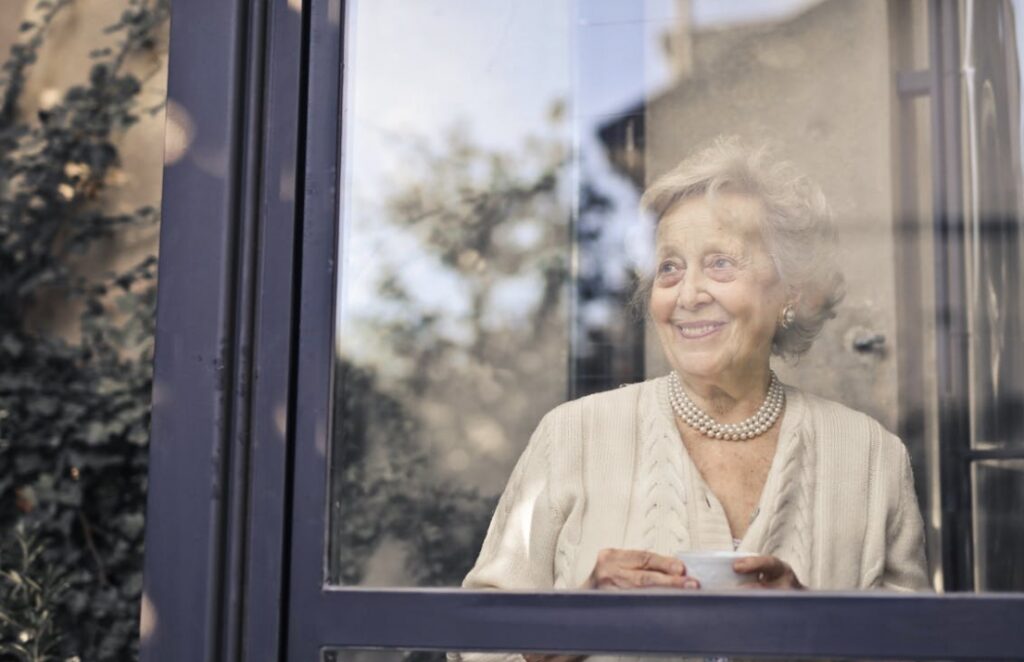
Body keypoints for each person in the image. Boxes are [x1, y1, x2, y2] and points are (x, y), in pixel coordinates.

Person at [460, 137, 929, 603]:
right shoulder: (571, 438)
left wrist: (812, 629)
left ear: (793, 291)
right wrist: (585, 612)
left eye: (720, 263)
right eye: (669, 268)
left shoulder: (871, 459)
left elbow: (919, 650)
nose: (687, 296)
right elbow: (478, 644)